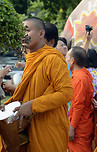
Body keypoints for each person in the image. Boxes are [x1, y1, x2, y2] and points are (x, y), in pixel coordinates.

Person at [0, 17, 73, 152]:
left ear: (41, 34)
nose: (23, 35)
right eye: (21, 31)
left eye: (27, 30)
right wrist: (9, 105)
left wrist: (33, 105)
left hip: (49, 126)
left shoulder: (53, 59)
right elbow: (27, 92)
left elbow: (66, 93)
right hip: (28, 125)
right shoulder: (31, 59)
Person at [67, 46, 95, 152]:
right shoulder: (84, 74)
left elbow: (78, 105)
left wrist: (72, 128)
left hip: (79, 125)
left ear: (72, 61)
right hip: (83, 121)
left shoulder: (79, 79)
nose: (66, 60)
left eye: (67, 57)